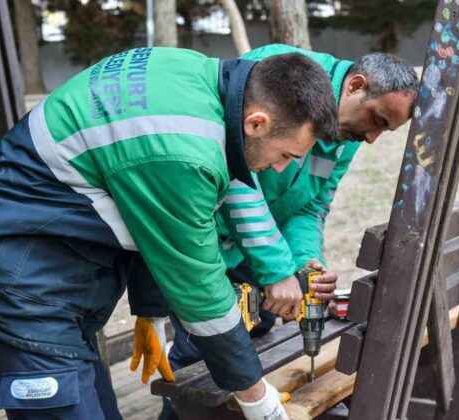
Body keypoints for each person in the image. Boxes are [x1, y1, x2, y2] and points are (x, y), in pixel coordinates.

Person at [0, 47, 338, 420]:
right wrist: (258, 399)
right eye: (286, 155)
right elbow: (200, 290)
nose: (282, 169)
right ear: (256, 122)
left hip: (51, 266)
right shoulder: (187, 151)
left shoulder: (196, 77)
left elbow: (147, 213)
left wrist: (151, 308)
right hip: (10, 275)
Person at [146, 44, 419, 420]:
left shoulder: (344, 132)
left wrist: (306, 262)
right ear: (356, 86)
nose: (373, 137)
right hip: (200, 238)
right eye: (378, 120)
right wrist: (277, 269)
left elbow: (309, 205)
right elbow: (238, 173)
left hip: (249, 249)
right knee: (200, 356)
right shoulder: (282, 74)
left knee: (257, 334)